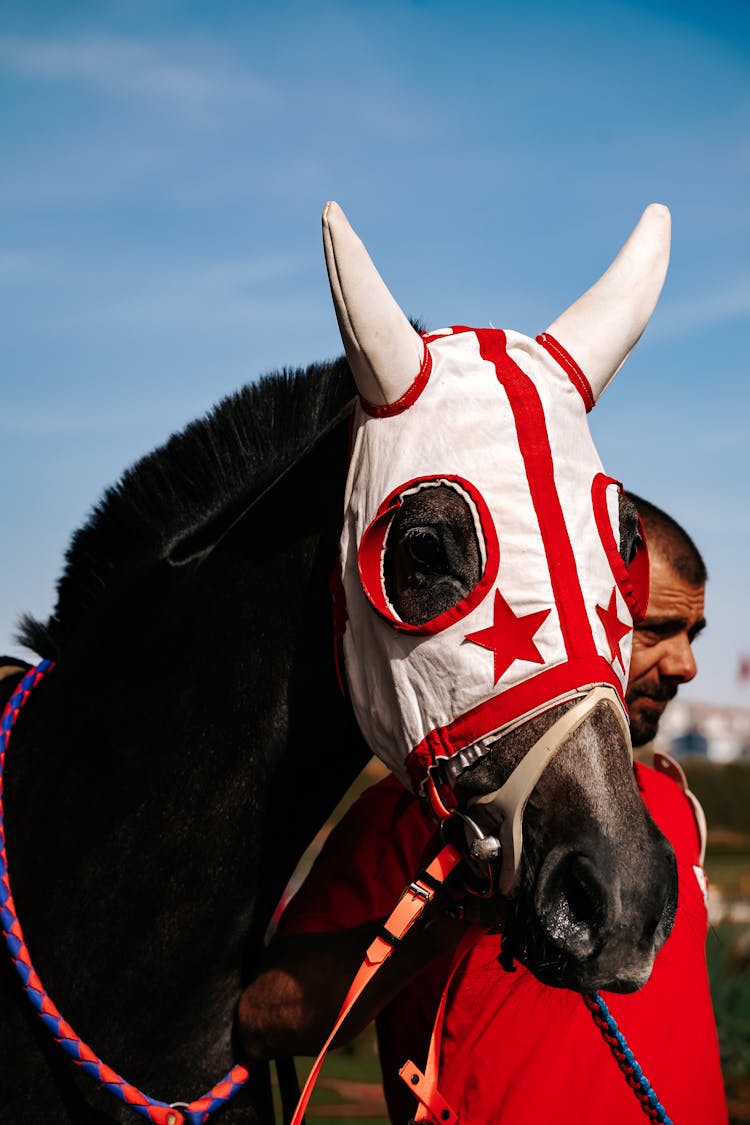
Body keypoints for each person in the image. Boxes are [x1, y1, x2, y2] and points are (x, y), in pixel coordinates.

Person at [237, 496, 726, 1124]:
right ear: (589, 621)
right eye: (657, 629)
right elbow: (264, 1017)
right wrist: (439, 921)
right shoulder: (405, 815)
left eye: (693, 635)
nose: (686, 664)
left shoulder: (676, 807)